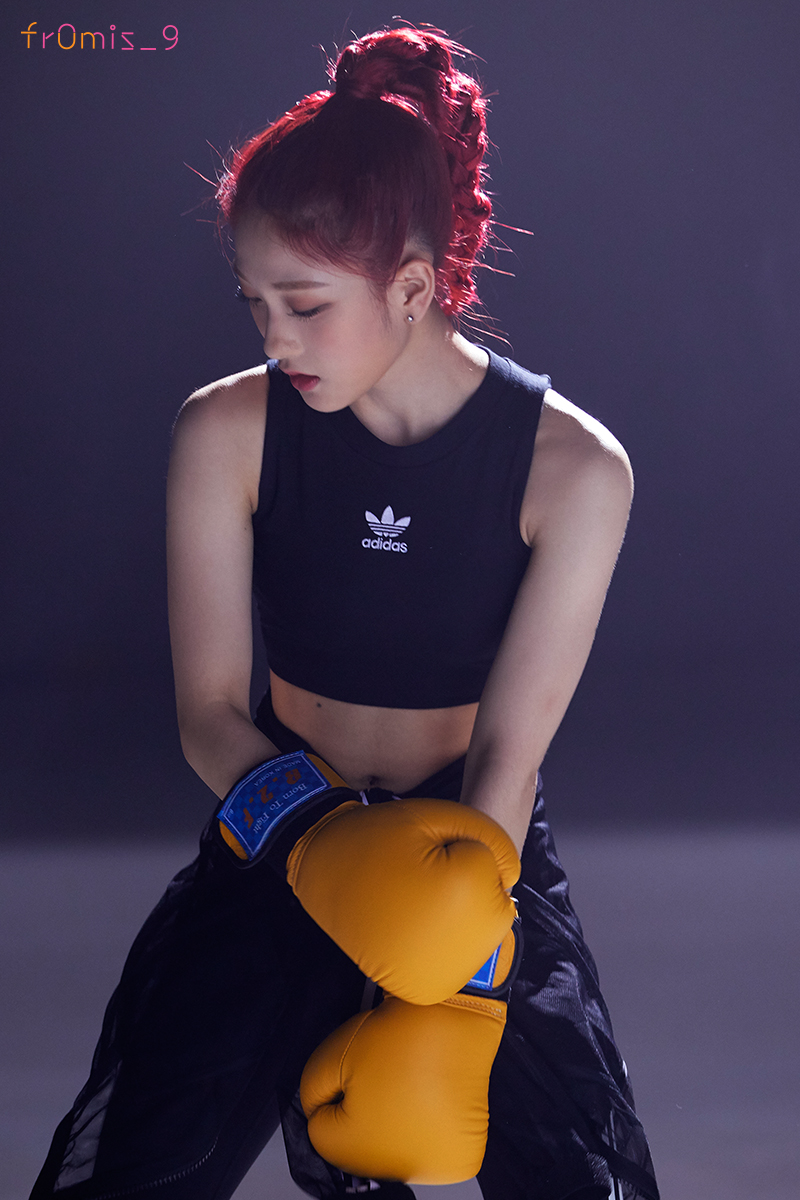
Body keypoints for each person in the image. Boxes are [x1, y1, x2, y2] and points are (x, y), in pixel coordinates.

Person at [30, 24, 660, 1200]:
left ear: (412, 287)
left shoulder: (574, 470)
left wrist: (459, 968)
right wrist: (322, 845)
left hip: (471, 848)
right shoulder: (224, 431)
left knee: (580, 1180)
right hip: (278, 836)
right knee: (129, 1173)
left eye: (305, 305)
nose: (274, 338)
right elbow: (209, 714)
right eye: (254, 302)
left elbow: (509, 751)